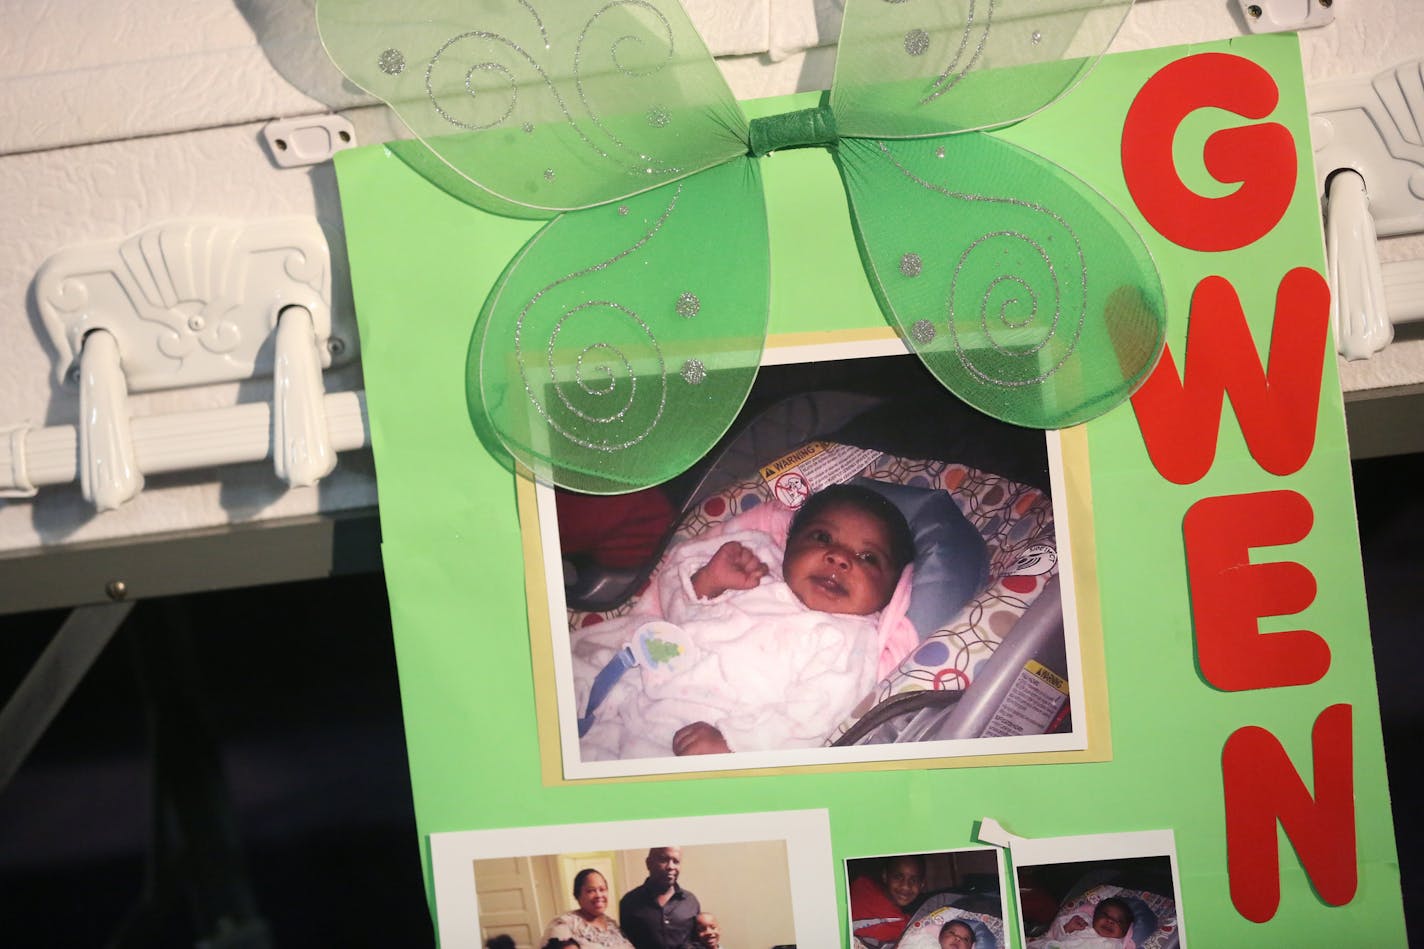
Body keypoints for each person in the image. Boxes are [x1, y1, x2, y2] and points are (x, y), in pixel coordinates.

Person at [577, 483, 917, 758]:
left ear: (890, 590)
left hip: (695, 728)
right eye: (822, 538)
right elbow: (677, 611)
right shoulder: (759, 564)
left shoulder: (850, 640)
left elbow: (815, 717)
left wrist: (735, 743)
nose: (839, 558)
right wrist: (709, 581)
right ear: (791, 542)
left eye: (868, 558)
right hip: (630, 677)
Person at [618, 847, 701, 949]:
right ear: (648, 863)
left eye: (676, 861)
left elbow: (699, 941)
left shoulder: (691, 901)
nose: (671, 866)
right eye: (663, 859)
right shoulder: (629, 902)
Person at [541, 868, 635, 948]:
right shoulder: (565, 925)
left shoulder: (612, 925)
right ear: (577, 895)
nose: (599, 895)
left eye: (602, 889)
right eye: (591, 891)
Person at [849, 854, 927, 947]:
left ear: (922, 884)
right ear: (885, 876)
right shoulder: (861, 887)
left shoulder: (908, 928)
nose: (905, 886)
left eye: (913, 880)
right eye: (898, 877)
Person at [1029, 895, 1135, 947]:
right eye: (1105, 915)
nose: (1110, 921)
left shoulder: (1117, 944)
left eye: (1119, 921)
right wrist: (1068, 928)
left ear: (1125, 931)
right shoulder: (1082, 922)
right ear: (1095, 916)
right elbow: (1053, 935)